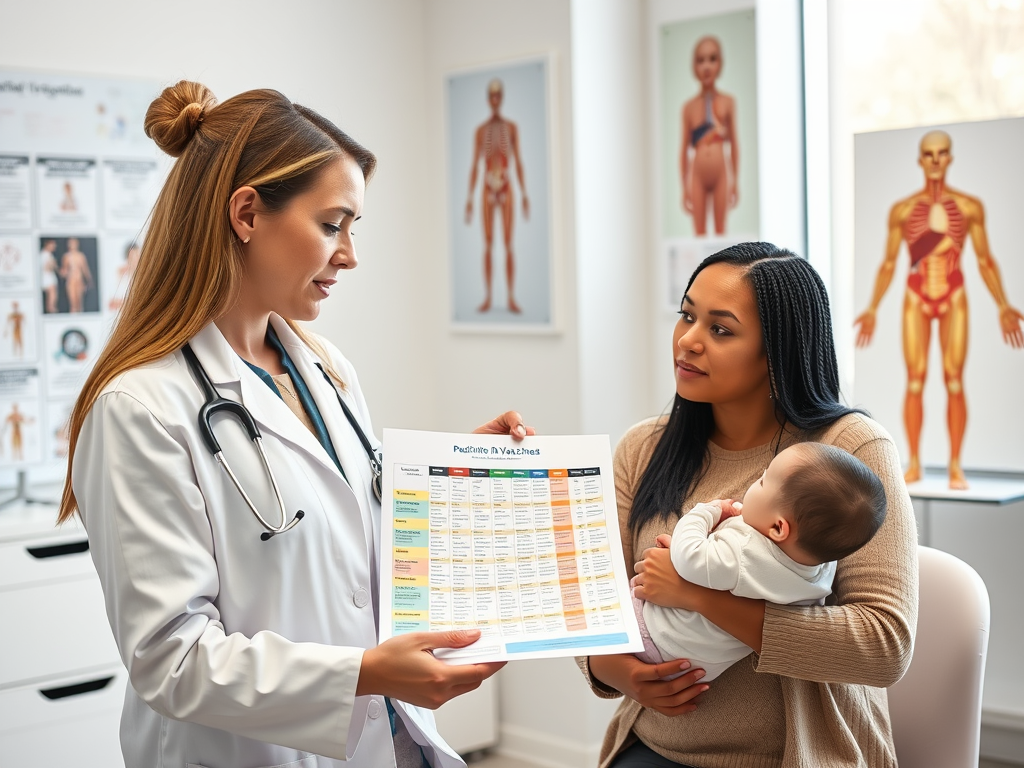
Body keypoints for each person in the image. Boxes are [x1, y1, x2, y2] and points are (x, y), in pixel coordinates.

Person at [56, 81, 535, 768]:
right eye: (333, 224)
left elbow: (339, 539)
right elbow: (171, 659)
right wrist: (365, 674)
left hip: (386, 744)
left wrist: (451, 474)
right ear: (247, 213)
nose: (350, 255)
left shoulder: (323, 367)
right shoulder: (140, 408)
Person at [577, 242, 917, 768]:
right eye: (687, 316)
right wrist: (620, 672)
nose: (687, 341)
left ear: (778, 350)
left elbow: (883, 643)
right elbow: (590, 602)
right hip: (657, 746)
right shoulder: (643, 448)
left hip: (796, 753)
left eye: (720, 329)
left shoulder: (850, 448)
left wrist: (704, 598)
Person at [854, 129, 1024, 490]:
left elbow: (985, 260)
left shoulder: (969, 207)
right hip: (916, 295)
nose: (934, 161)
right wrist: (871, 307)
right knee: (915, 380)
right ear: (920, 160)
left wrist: (1003, 305)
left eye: (941, 153)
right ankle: (914, 463)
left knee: (953, 379)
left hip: (953, 294)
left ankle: (956, 465)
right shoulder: (902, 210)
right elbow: (887, 263)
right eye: (928, 154)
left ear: (949, 158)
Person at [633, 442, 887, 683]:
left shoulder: (743, 551)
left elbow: (688, 557)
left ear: (778, 527)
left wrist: (705, 512)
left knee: (615, 600)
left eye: (763, 481)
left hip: (656, 636)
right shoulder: (818, 574)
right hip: (698, 665)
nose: (757, 481)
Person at [464, 78, 529, 313]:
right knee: (488, 244)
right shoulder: (480, 131)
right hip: (487, 187)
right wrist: (470, 198)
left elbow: (518, 161)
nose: (494, 100)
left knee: (508, 243)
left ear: (500, 98)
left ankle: (510, 296)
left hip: (506, 185)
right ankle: (489, 297)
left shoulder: (511, 128)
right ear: (488, 99)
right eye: (491, 96)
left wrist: (524, 194)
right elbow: (474, 165)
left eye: (497, 96)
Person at [680, 36, 738, 237]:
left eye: (712, 59)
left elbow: (735, 144)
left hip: (721, 172)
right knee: (699, 234)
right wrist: (684, 188)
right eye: (701, 60)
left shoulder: (728, 102)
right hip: (697, 174)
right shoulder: (689, 108)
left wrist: (735, 182)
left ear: (720, 63)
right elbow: (683, 150)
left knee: (721, 233)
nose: (706, 66)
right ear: (694, 66)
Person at [59, 237, 94, 313]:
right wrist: (63, 273)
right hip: (71, 280)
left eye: (73, 243)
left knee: (79, 303)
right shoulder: (66, 256)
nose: (72, 245)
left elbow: (85, 269)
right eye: (70, 243)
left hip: (79, 280)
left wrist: (89, 281)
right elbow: (64, 270)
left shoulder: (81, 256)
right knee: (73, 303)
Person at [108, 239, 141, 311]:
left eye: (138, 255)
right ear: (129, 256)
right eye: (134, 255)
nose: (137, 258)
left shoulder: (141, 275)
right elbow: (111, 304)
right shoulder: (120, 274)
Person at [40, 239, 59, 314]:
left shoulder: (48, 254)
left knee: (51, 298)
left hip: (49, 278)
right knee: (52, 297)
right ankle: (52, 312)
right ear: (47, 244)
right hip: (48, 279)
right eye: (52, 245)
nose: (54, 247)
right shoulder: (44, 254)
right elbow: (46, 268)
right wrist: (53, 264)